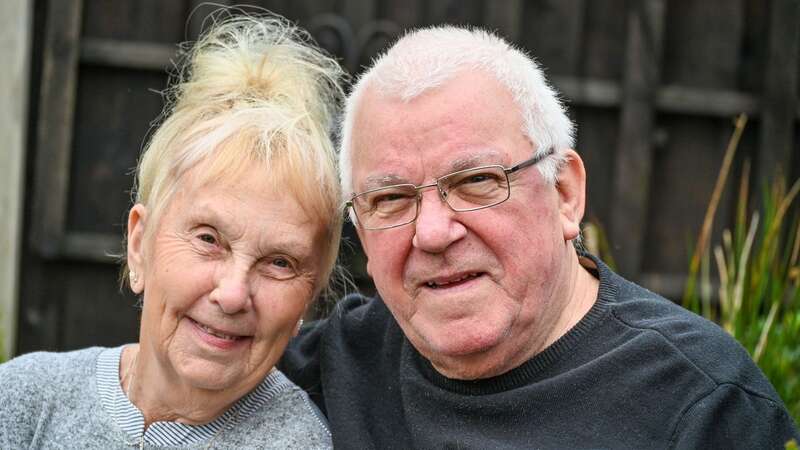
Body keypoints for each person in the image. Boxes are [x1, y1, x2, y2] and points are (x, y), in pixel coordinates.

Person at [279, 25, 800, 448]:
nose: (432, 233)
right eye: (390, 199)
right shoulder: (335, 362)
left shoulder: (700, 405)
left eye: (476, 182)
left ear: (565, 193)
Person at [0, 13, 343, 449]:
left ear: (306, 303)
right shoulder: (23, 399)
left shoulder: (297, 442)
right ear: (140, 244)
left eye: (279, 262)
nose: (233, 294)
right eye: (208, 239)